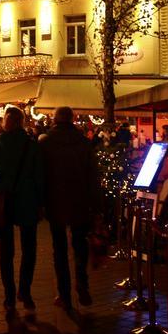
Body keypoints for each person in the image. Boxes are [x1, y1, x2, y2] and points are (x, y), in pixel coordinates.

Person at [0, 106, 45, 311]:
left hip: (4, 201)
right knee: (29, 249)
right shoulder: (31, 145)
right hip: (27, 201)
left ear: (7, 122)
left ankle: (9, 294)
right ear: (23, 122)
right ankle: (24, 291)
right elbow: (39, 176)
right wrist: (40, 202)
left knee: (6, 251)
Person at [40, 106, 99, 309]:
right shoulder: (83, 143)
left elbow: (40, 176)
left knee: (60, 249)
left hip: (55, 201)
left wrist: (41, 201)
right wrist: (95, 202)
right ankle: (82, 284)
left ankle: (64, 294)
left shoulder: (46, 143)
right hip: (79, 200)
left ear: (55, 120)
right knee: (80, 245)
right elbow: (93, 175)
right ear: (72, 120)